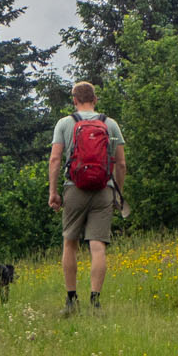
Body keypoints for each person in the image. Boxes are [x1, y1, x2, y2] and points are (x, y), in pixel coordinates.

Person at [47, 81, 127, 317]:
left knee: (70, 242)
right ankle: (95, 301)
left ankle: (72, 300)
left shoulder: (65, 123)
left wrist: (53, 192)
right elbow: (121, 163)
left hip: (74, 188)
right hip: (104, 189)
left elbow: (55, 159)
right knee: (98, 245)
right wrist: (117, 193)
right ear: (95, 99)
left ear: (74, 100)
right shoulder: (110, 124)